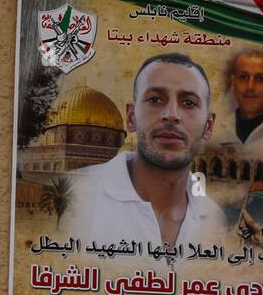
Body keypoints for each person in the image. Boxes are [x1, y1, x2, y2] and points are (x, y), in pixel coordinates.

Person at [61, 55, 226, 251]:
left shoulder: (214, 217)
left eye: (188, 102)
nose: (171, 115)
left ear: (208, 126)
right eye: (155, 99)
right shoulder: (74, 196)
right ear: (131, 118)